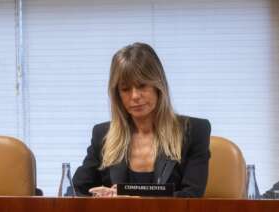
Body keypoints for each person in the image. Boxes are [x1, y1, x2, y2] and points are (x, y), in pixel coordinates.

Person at [72, 42, 211, 197]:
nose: (135, 96)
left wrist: (133, 199)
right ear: (117, 95)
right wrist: (98, 199)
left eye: (142, 85)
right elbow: (75, 190)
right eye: (125, 89)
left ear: (158, 86)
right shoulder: (103, 134)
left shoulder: (194, 131)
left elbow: (191, 197)